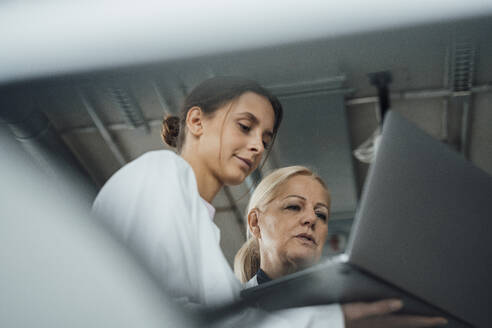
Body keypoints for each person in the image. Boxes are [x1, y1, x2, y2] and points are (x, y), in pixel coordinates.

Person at [92, 76, 443, 327]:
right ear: (197, 121)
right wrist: (337, 321)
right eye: (245, 126)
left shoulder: (201, 225)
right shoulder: (160, 171)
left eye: (265, 137)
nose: (259, 146)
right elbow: (142, 312)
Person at [235, 165, 449, 327]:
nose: (311, 218)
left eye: (321, 214)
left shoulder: (359, 309)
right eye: (293, 206)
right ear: (255, 223)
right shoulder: (226, 306)